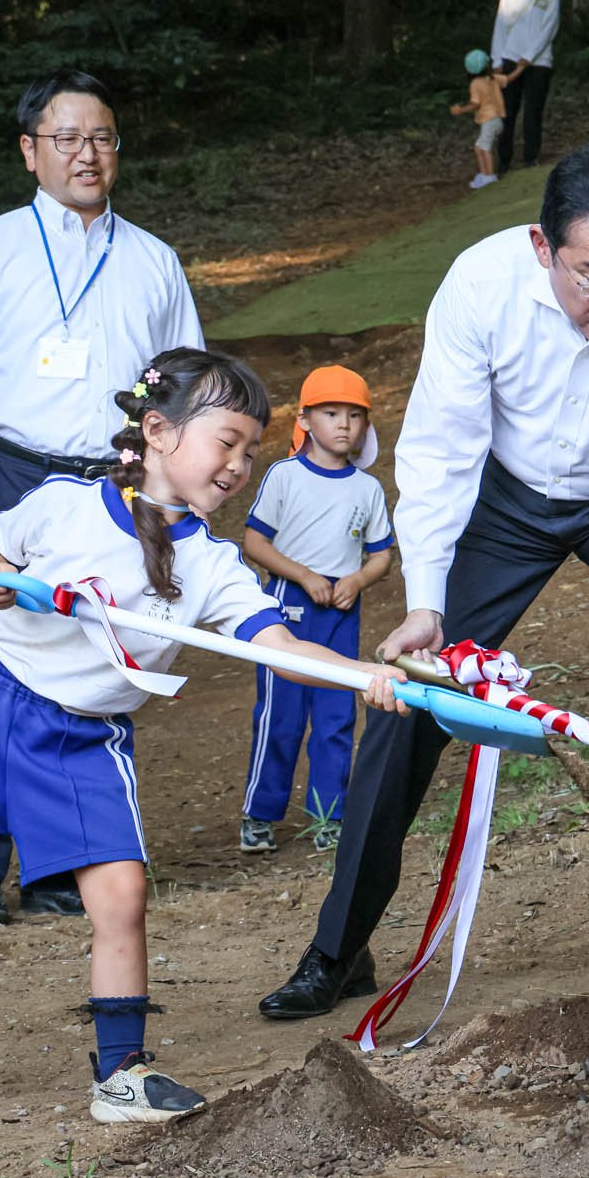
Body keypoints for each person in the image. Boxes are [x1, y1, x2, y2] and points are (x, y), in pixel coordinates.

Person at [0, 349, 413, 1130]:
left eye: (250, 451)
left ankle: (122, 1074)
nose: (240, 465)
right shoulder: (68, 503)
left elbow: (278, 645)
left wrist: (364, 677)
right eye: (227, 442)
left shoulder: (212, 565)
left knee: (122, 895)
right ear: (159, 431)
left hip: (86, 739)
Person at [260, 145, 589, 1026]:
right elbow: (439, 454)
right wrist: (429, 604)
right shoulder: (480, 285)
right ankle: (339, 947)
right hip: (504, 500)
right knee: (408, 700)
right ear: (541, 246)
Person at [0, 70, 203, 924]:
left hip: (114, 482)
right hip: (10, 471)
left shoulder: (152, 258)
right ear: (29, 151)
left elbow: (182, 382)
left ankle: (63, 865)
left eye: (102, 138)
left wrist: (179, 488)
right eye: (67, 138)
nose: (87, 153)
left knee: (102, 663)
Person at [238, 365, 395, 854]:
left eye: (355, 415)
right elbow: (253, 542)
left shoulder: (366, 488)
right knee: (280, 715)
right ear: (305, 419)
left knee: (336, 716)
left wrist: (357, 579)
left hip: (342, 612)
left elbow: (382, 556)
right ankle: (259, 815)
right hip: (287, 608)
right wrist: (303, 575)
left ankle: (329, 815)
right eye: (331, 413)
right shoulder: (284, 476)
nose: (344, 424)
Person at [489, 0, 560, 170]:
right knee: (507, 112)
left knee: (533, 110)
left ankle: (530, 157)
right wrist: (496, 60)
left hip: (539, 62)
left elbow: (549, 28)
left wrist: (529, 56)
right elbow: (500, 28)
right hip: (509, 58)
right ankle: (504, 160)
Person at [451, 50, 520, 190]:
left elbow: (476, 103)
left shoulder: (475, 83)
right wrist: (521, 67)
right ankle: (484, 175)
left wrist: (460, 110)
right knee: (479, 147)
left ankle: (490, 177)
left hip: (489, 120)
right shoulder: (493, 78)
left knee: (484, 148)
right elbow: (509, 78)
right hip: (496, 120)